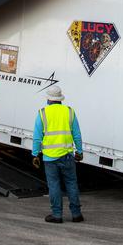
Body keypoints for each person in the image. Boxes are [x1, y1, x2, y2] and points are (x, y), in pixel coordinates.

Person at [32, 85, 84, 223]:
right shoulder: (70, 112)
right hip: (67, 155)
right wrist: (79, 151)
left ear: (48, 99)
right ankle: (76, 214)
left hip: (50, 157)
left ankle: (57, 215)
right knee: (71, 183)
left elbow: (37, 137)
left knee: (54, 185)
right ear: (60, 99)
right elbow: (77, 135)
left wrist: (35, 154)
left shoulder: (42, 113)